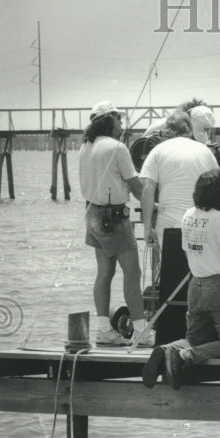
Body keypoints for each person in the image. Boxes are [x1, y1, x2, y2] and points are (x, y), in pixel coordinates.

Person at [142, 170, 220, 389]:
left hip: (196, 285)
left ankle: (168, 349)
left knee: (196, 337)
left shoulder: (188, 215)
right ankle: (185, 355)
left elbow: (188, 251)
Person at [78, 100, 151, 347]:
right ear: (109, 120)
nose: (122, 123)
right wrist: (154, 205)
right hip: (114, 218)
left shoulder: (85, 146)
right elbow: (136, 186)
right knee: (133, 272)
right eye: (119, 119)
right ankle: (141, 332)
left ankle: (104, 330)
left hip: (92, 214)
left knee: (105, 272)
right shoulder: (117, 148)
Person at [139, 111, 219, 248]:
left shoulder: (157, 151)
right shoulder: (205, 151)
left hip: (169, 222)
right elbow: (217, 185)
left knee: (170, 267)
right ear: (189, 130)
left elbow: (147, 189)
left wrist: (147, 227)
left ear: (167, 131)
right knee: (199, 268)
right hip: (200, 220)